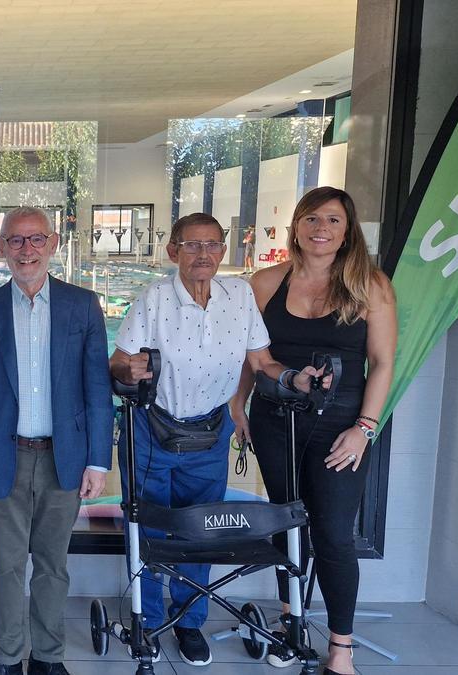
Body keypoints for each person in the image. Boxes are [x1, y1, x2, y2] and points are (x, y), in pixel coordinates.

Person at [110, 212, 324, 667]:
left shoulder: (240, 295)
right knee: (149, 527)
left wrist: (293, 379)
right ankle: (147, 622)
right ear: (173, 251)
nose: (202, 254)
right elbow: (119, 360)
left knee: (201, 532)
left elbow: (262, 362)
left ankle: (187, 622)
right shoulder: (153, 298)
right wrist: (127, 370)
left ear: (223, 250)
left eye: (211, 245)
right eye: (191, 245)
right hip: (153, 427)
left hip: (209, 430)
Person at [233, 187, 396, 675]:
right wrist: (238, 406)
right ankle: (291, 624)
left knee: (332, 532)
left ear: (347, 232)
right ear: (296, 225)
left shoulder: (371, 285)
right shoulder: (265, 282)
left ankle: (340, 648)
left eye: (332, 220)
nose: (320, 228)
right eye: (311, 218)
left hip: (342, 427)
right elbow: (252, 354)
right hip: (275, 419)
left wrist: (364, 429)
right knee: (286, 523)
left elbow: (383, 363)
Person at [0, 206, 112, 675]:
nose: (27, 250)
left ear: (54, 243)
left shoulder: (82, 306)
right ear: (1, 248)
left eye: (36, 239)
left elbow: (97, 390)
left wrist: (98, 461)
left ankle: (47, 657)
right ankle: (4, 659)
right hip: (3, 458)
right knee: (5, 567)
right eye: (16, 241)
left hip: (65, 458)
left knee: (52, 566)